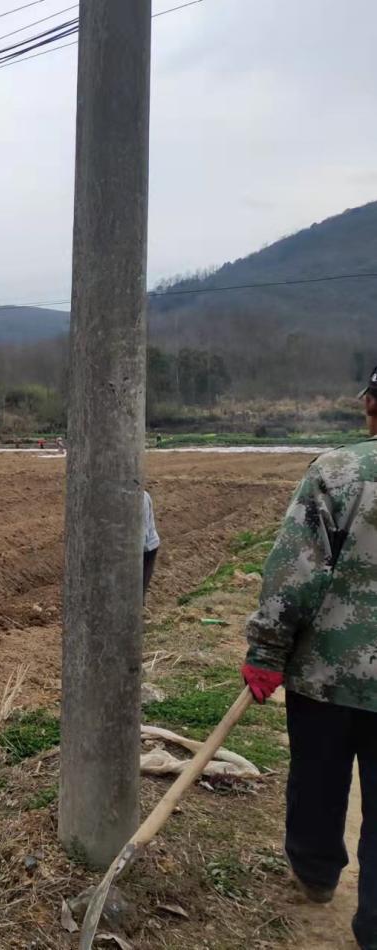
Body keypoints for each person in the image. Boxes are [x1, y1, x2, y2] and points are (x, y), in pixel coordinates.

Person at [242, 364, 377, 949]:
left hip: (327, 672)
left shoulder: (341, 471)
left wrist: (267, 651)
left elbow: (295, 573)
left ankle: (317, 875)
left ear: (371, 405)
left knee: (319, 777)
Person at [142, 489, 160, 600]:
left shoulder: (141, 498)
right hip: (134, 547)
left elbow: (143, 533)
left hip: (147, 548)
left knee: (138, 587)